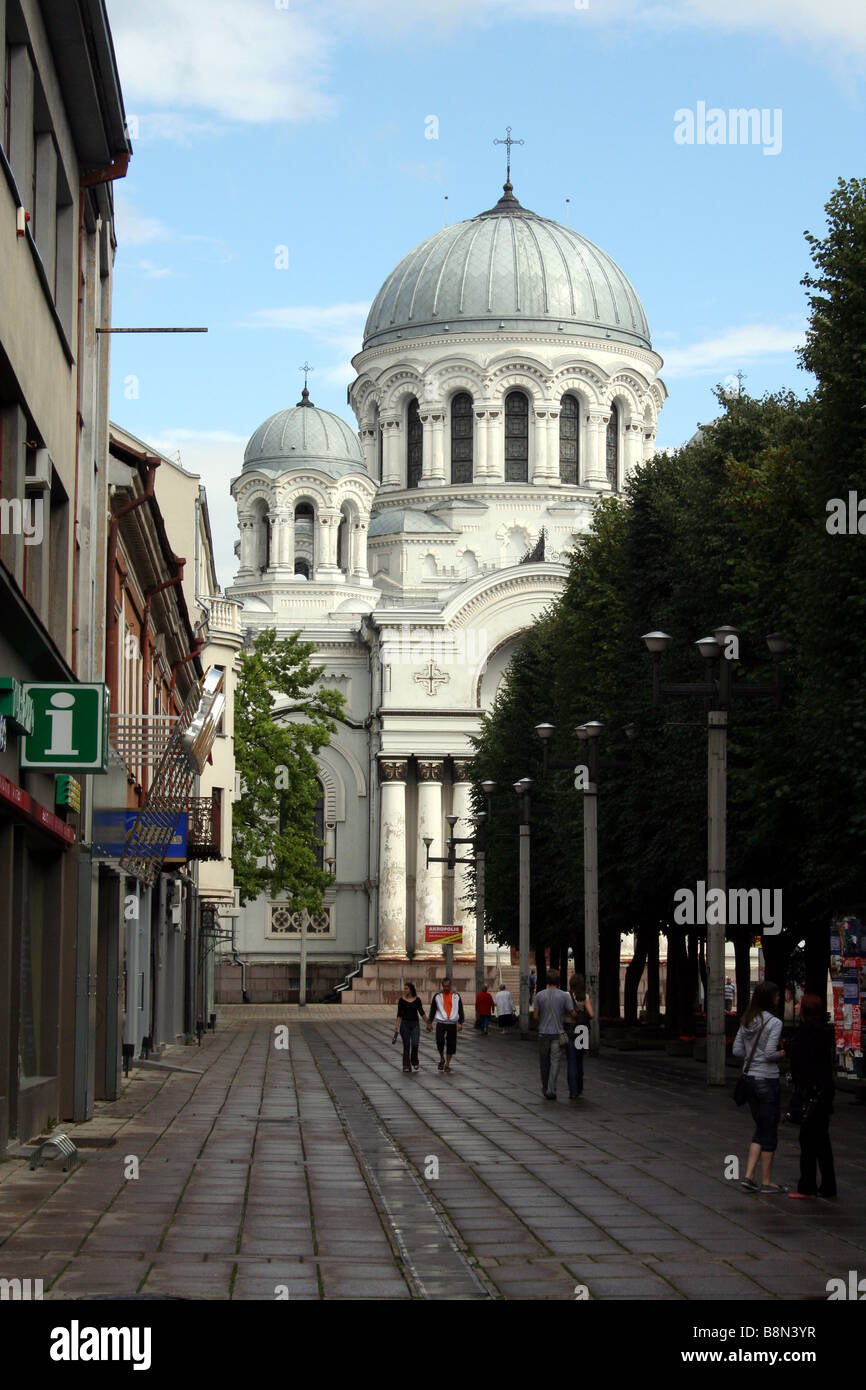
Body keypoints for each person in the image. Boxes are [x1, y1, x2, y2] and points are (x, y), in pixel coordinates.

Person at [733, 980, 788, 1193]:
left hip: (749, 1080)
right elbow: (769, 1054)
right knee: (770, 1129)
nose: (779, 998)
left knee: (760, 1127)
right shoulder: (774, 1023)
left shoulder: (747, 1020)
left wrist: (751, 1056)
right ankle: (767, 1181)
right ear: (769, 999)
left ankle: (748, 1176)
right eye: (776, 996)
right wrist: (781, 1054)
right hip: (767, 1079)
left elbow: (738, 1051)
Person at [787, 993, 837, 1200]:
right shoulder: (825, 1032)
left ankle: (807, 1185)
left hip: (812, 1091)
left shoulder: (806, 1032)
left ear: (806, 1009)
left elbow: (801, 1061)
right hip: (825, 1090)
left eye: (799, 1004)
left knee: (807, 1139)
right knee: (822, 1140)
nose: (796, 1006)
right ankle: (828, 1185)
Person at [533, 968, 576, 1100]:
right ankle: (552, 1089)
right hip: (558, 1033)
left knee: (544, 1062)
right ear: (558, 981)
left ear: (547, 980)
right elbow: (573, 1013)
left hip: (543, 1033)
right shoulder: (564, 996)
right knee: (555, 1062)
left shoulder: (539, 995)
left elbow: (535, 1016)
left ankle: (545, 1087)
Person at [565, 972, 594, 1100]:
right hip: (583, 1030)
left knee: (571, 1060)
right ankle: (580, 1087)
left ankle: (573, 1091)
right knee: (580, 1059)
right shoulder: (585, 997)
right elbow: (592, 1015)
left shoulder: (567, 996)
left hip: (571, 1028)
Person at [426, 977, 464, 1072]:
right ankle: (442, 1057)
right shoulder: (437, 996)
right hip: (441, 1022)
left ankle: (447, 1064)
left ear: (450, 986)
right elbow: (433, 1010)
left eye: (447, 986)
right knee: (439, 1041)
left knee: (451, 1044)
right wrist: (429, 1022)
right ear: (442, 986)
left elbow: (460, 1010)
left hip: (452, 1023)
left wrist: (460, 1022)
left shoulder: (456, 996)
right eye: (444, 986)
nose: (446, 988)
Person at [395, 982, 426, 1074]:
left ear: (411, 989)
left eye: (406, 988)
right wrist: (397, 1026)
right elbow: (399, 1014)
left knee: (415, 1044)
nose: (405, 990)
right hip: (405, 1024)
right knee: (406, 1045)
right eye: (404, 988)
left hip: (415, 1024)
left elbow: (421, 1012)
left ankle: (414, 1061)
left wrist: (428, 1023)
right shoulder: (401, 1000)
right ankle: (406, 1065)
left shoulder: (417, 1000)